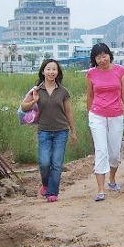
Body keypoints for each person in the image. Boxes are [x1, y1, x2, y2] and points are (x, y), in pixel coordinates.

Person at [20, 59, 77, 202]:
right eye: (48, 69)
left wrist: (73, 131)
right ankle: (45, 184)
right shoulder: (37, 90)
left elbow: (69, 112)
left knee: (57, 163)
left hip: (61, 131)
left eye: (54, 69)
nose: (51, 72)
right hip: (44, 131)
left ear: (58, 73)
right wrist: (34, 100)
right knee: (44, 162)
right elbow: (23, 107)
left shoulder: (63, 91)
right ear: (43, 71)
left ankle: (53, 193)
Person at [86, 43, 124, 202]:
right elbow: (89, 96)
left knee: (114, 153)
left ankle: (112, 180)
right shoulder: (91, 74)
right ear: (94, 59)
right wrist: (90, 115)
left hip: (116, 115)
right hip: (97, 115)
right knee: (101, 150)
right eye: (98, 57)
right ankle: (100, 190)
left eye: (104, 55)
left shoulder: (120, 71)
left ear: (109, 55)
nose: (102, 59)